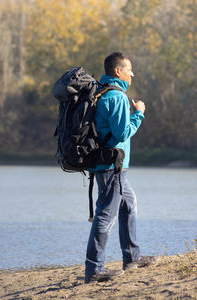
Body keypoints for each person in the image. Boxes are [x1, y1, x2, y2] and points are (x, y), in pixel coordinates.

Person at [85, 52, 159, 284]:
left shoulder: (101, 91)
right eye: (129, 69)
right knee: (106, 215)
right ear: (118, 71)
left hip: (109, 164)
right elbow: (122, 133)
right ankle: (94, 270)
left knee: (129, 204)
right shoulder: (115, 97)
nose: (132, 74)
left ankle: (132, 256)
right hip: (110, 166)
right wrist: (138, 114)